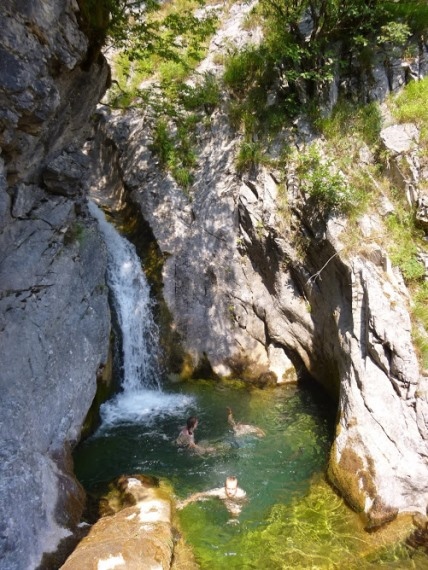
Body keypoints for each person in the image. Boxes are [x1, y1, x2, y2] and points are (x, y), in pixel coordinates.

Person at [177, 476, 247, 517]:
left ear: (237, 487)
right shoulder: (220, 492)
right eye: (228, 488)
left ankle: (232, 520)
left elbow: (245, 502)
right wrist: (184, 503)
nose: (230, 491)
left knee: (235, 510)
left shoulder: (241, 494)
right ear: (225, 487)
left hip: (234, 502)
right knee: (201, 499)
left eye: (233, 489)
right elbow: (199, 494)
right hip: (220, 499)